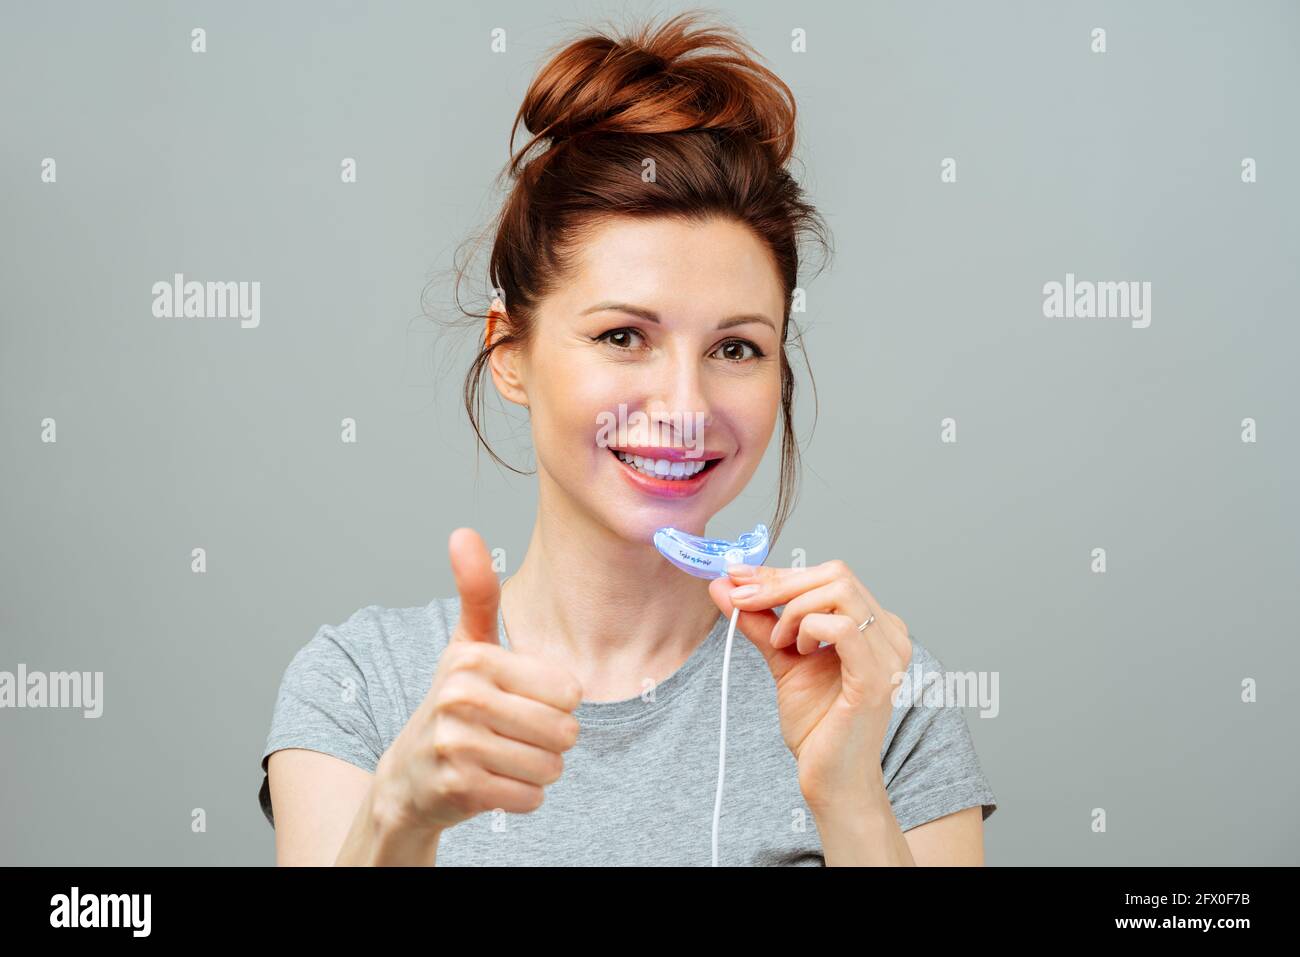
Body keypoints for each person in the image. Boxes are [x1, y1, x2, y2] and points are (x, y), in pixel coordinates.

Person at [258, 11, 997, 866]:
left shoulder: (880, 695)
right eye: (622, 337)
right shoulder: (362, 684)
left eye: (735, 348)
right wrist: (401, 817)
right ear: (509, 352)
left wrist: (847, 792)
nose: (685, 404)